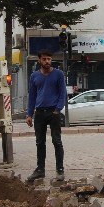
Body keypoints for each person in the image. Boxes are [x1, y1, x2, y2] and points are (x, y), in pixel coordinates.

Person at [26, 50, 67, 182]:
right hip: (39, 113)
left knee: (57, 141)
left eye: (49, 59)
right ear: (39, 60)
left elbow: (63, 93)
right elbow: (32, 96)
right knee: (39, 142)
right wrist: (29, 114)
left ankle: (60, 170)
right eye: (44, 59)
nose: (47, 61)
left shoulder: (58, 74)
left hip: (53, 112)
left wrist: (57, 110)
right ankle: (40, 170)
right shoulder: (34, 76)